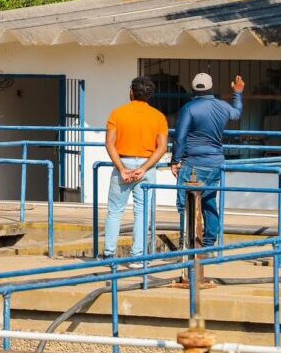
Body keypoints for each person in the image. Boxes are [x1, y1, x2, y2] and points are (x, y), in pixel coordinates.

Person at [171, 73, 245, 248]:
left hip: (193, 164)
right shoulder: (223, 106)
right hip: (216, 162)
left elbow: (180, 137)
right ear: (211, 88)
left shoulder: (189, 108)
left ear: (193, 88)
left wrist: (175, 160)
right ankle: (210, 244)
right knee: (209, 201)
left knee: (185, 204)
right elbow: (237, 114)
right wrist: (238, 94)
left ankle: (188, 242)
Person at [102, 77, 169, 267]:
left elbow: (109, 143)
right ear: (150, 95)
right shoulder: (158, 117)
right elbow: (162, 147)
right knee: (142, 213)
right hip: (147, 168)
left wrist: (122, 168)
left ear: (131, 91)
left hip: (122, 163)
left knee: (115, 212)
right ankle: (138, 257)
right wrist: (143, 168)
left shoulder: (118, 114)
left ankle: (109, 255)